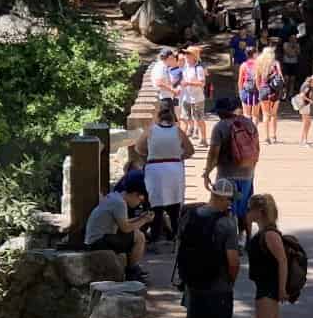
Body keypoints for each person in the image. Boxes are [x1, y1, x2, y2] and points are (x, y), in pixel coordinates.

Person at [173, 180, 244, 318]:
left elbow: (179, 248)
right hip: (217, 286)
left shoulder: (190, 216)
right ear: (223, 198)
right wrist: (231, 281)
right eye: (230, 200)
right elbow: (233, 260)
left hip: (193, 284)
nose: (231, 204)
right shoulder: (227, 224)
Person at [241, 194, 290, 318]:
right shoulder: (263, 232)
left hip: (268, 288)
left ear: (258, 212)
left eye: (249, 209)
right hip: (266, 286)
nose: (247, 213)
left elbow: (282, 260)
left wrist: (281, 289)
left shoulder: (270, 235)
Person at [83, 170, 153, 282]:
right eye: (140, 199)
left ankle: (132, 268)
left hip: (99, 238)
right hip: (98, 242)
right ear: (135, 194)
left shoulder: (116, 197)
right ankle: (131, 271)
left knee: (137, 234)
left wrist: (140, 218)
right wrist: (144, 220)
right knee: (139, 237)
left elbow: (124, 222)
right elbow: (125, 228)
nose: (140, 203)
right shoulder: (119, 204)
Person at [143, 98, 195, 248]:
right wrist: (178, 157)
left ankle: (155, 237)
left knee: (155, 204)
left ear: (158, 117)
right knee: (174, 204)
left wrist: (151, 154)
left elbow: (139, 148)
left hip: (155, 169)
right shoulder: (178, 131)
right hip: (174, 169)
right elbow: (190, 150)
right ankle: (175, 236)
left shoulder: (151, 130)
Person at [203, 96, 258, 222]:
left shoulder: (220, 127)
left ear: (223, 112)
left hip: (226, 176)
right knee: (244, 210)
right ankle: (245, 237)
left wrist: (206, 173)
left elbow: (213, 154)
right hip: (247, 174)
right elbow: (256, 150)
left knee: (224, 211)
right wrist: (251, 168)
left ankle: (228, 237)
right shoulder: (249, 123)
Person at [180, 45, 210, 147]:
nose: (185, 55)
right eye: (185, 54)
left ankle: (204, 139)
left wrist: (188, 83)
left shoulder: (199, 68)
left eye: (188, 54)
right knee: (185, 119)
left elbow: (202, 83)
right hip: (186, 98)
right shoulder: (185, 67)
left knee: (199, 119)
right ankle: (183, 142)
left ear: (194, 56)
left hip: (197, 98)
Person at [255, 45, 285, 143]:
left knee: (265, 114)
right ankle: (274, 136)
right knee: (274, 114)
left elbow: (257, 79)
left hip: (264, 89)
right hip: (275, 90)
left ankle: (266, 137)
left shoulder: (259, 63)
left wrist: (260, 89)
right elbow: (280, 77)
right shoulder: (276, 63)